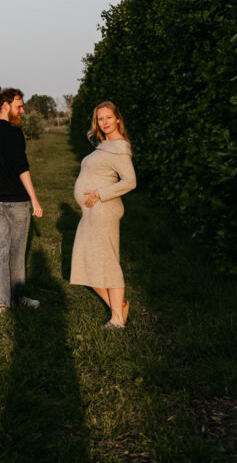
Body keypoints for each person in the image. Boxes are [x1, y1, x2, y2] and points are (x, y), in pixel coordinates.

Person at [70, 101, 137, 328]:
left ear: (118, 118)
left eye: (109, 117)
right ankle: (119, 307)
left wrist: (99, 193)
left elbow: (130, 182)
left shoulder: (119, 146)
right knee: (84, 261)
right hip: (92, 212)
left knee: (107, 263)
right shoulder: (104, 144)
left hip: (104, 211)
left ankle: (117, 319)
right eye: (100, 119)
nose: (105, 122)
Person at [0, 88, 44, 315]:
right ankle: (17, 297)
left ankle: (1, 305)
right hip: (16, 203)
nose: (22, 110)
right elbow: (21, 168)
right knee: (15, 253)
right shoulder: (15, 133)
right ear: (5, 104)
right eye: (19, 105)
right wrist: (35, 200)